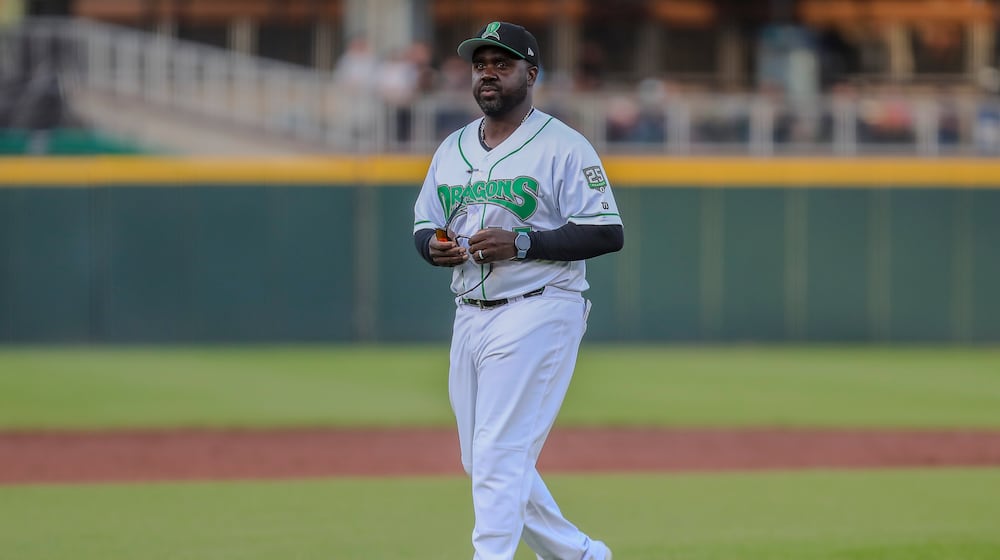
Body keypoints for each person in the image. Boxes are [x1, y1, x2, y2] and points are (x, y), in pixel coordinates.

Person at [411, 21, 623, 560]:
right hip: (471, 311)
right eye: (480, 64)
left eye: (501, 64)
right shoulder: (452, 149)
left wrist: (524, 243)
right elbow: (425, 223)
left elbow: (607, 231)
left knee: (500, 454)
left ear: (531, 73)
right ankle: (579, 555)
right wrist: (434, 247)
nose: (487, 74)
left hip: (540, 307)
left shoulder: (563, 146)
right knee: (482, 460)